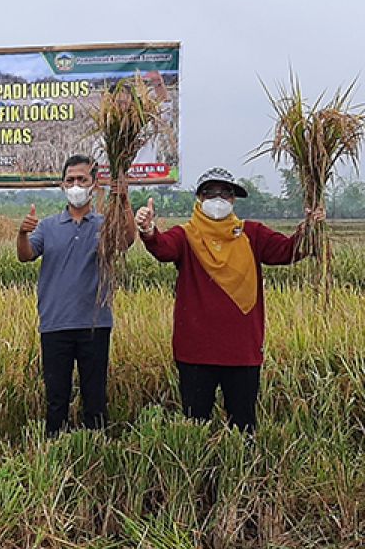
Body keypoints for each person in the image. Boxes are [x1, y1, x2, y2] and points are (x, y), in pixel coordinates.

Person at [136, 167, 324, 433]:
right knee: (194, 427)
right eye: (211, 193)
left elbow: (287, 250)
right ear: (199, 198)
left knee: (244, 426)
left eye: (225, 193)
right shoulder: (186, 235)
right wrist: (148, 230)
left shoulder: (253, 234)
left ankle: (241, 473)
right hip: (196, 351)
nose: (218, 199)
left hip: (242, 351)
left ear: (234, 200)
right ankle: (199, 474)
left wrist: (311, 229)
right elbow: (163, 248)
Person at [16, 155, 135, 435]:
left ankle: (95, 449)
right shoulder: (47, 226)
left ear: (94, 184)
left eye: (82, 179)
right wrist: (22, 233)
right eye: (70, 180)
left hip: (94, 324)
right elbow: (26, 255)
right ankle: (55, 449)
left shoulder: (104, 224)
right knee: (56, 397)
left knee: (95, 397)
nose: (76, 185)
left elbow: (127, 241)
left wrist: (124, 200)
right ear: (62, 185)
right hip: (55, 324)